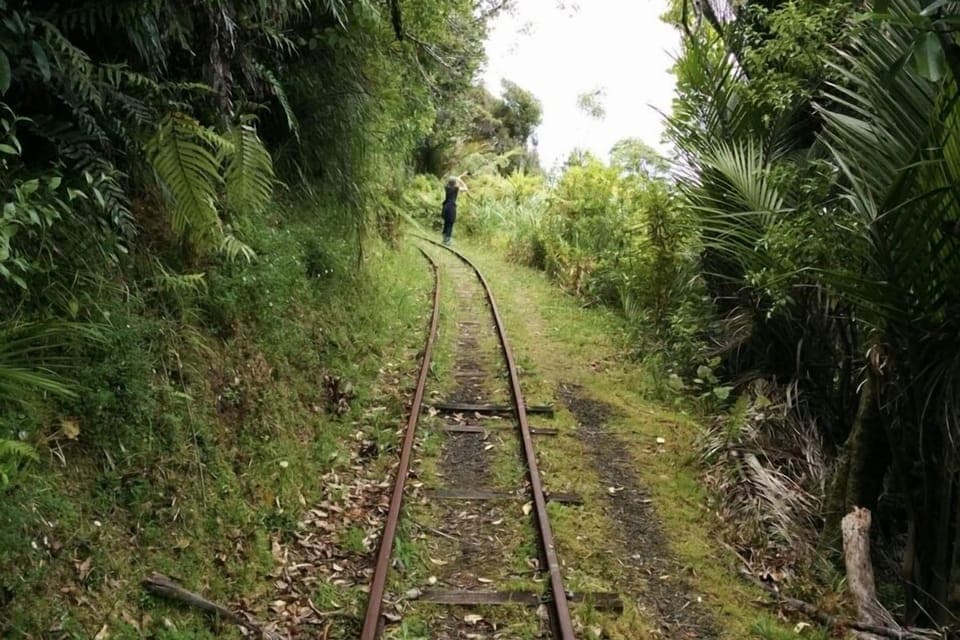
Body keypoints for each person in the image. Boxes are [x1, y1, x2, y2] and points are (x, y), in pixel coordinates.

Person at [441, 173, 468, 245]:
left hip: (445, 206)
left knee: (447, 222)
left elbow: (448, 181)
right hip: (451, 207)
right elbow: (465, 188)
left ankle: (445, 238)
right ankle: (447, 240)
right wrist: (460, 180)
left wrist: (456, 178)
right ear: (455, 183)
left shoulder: (447, 187)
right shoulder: (456, 189)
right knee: (450, 223)